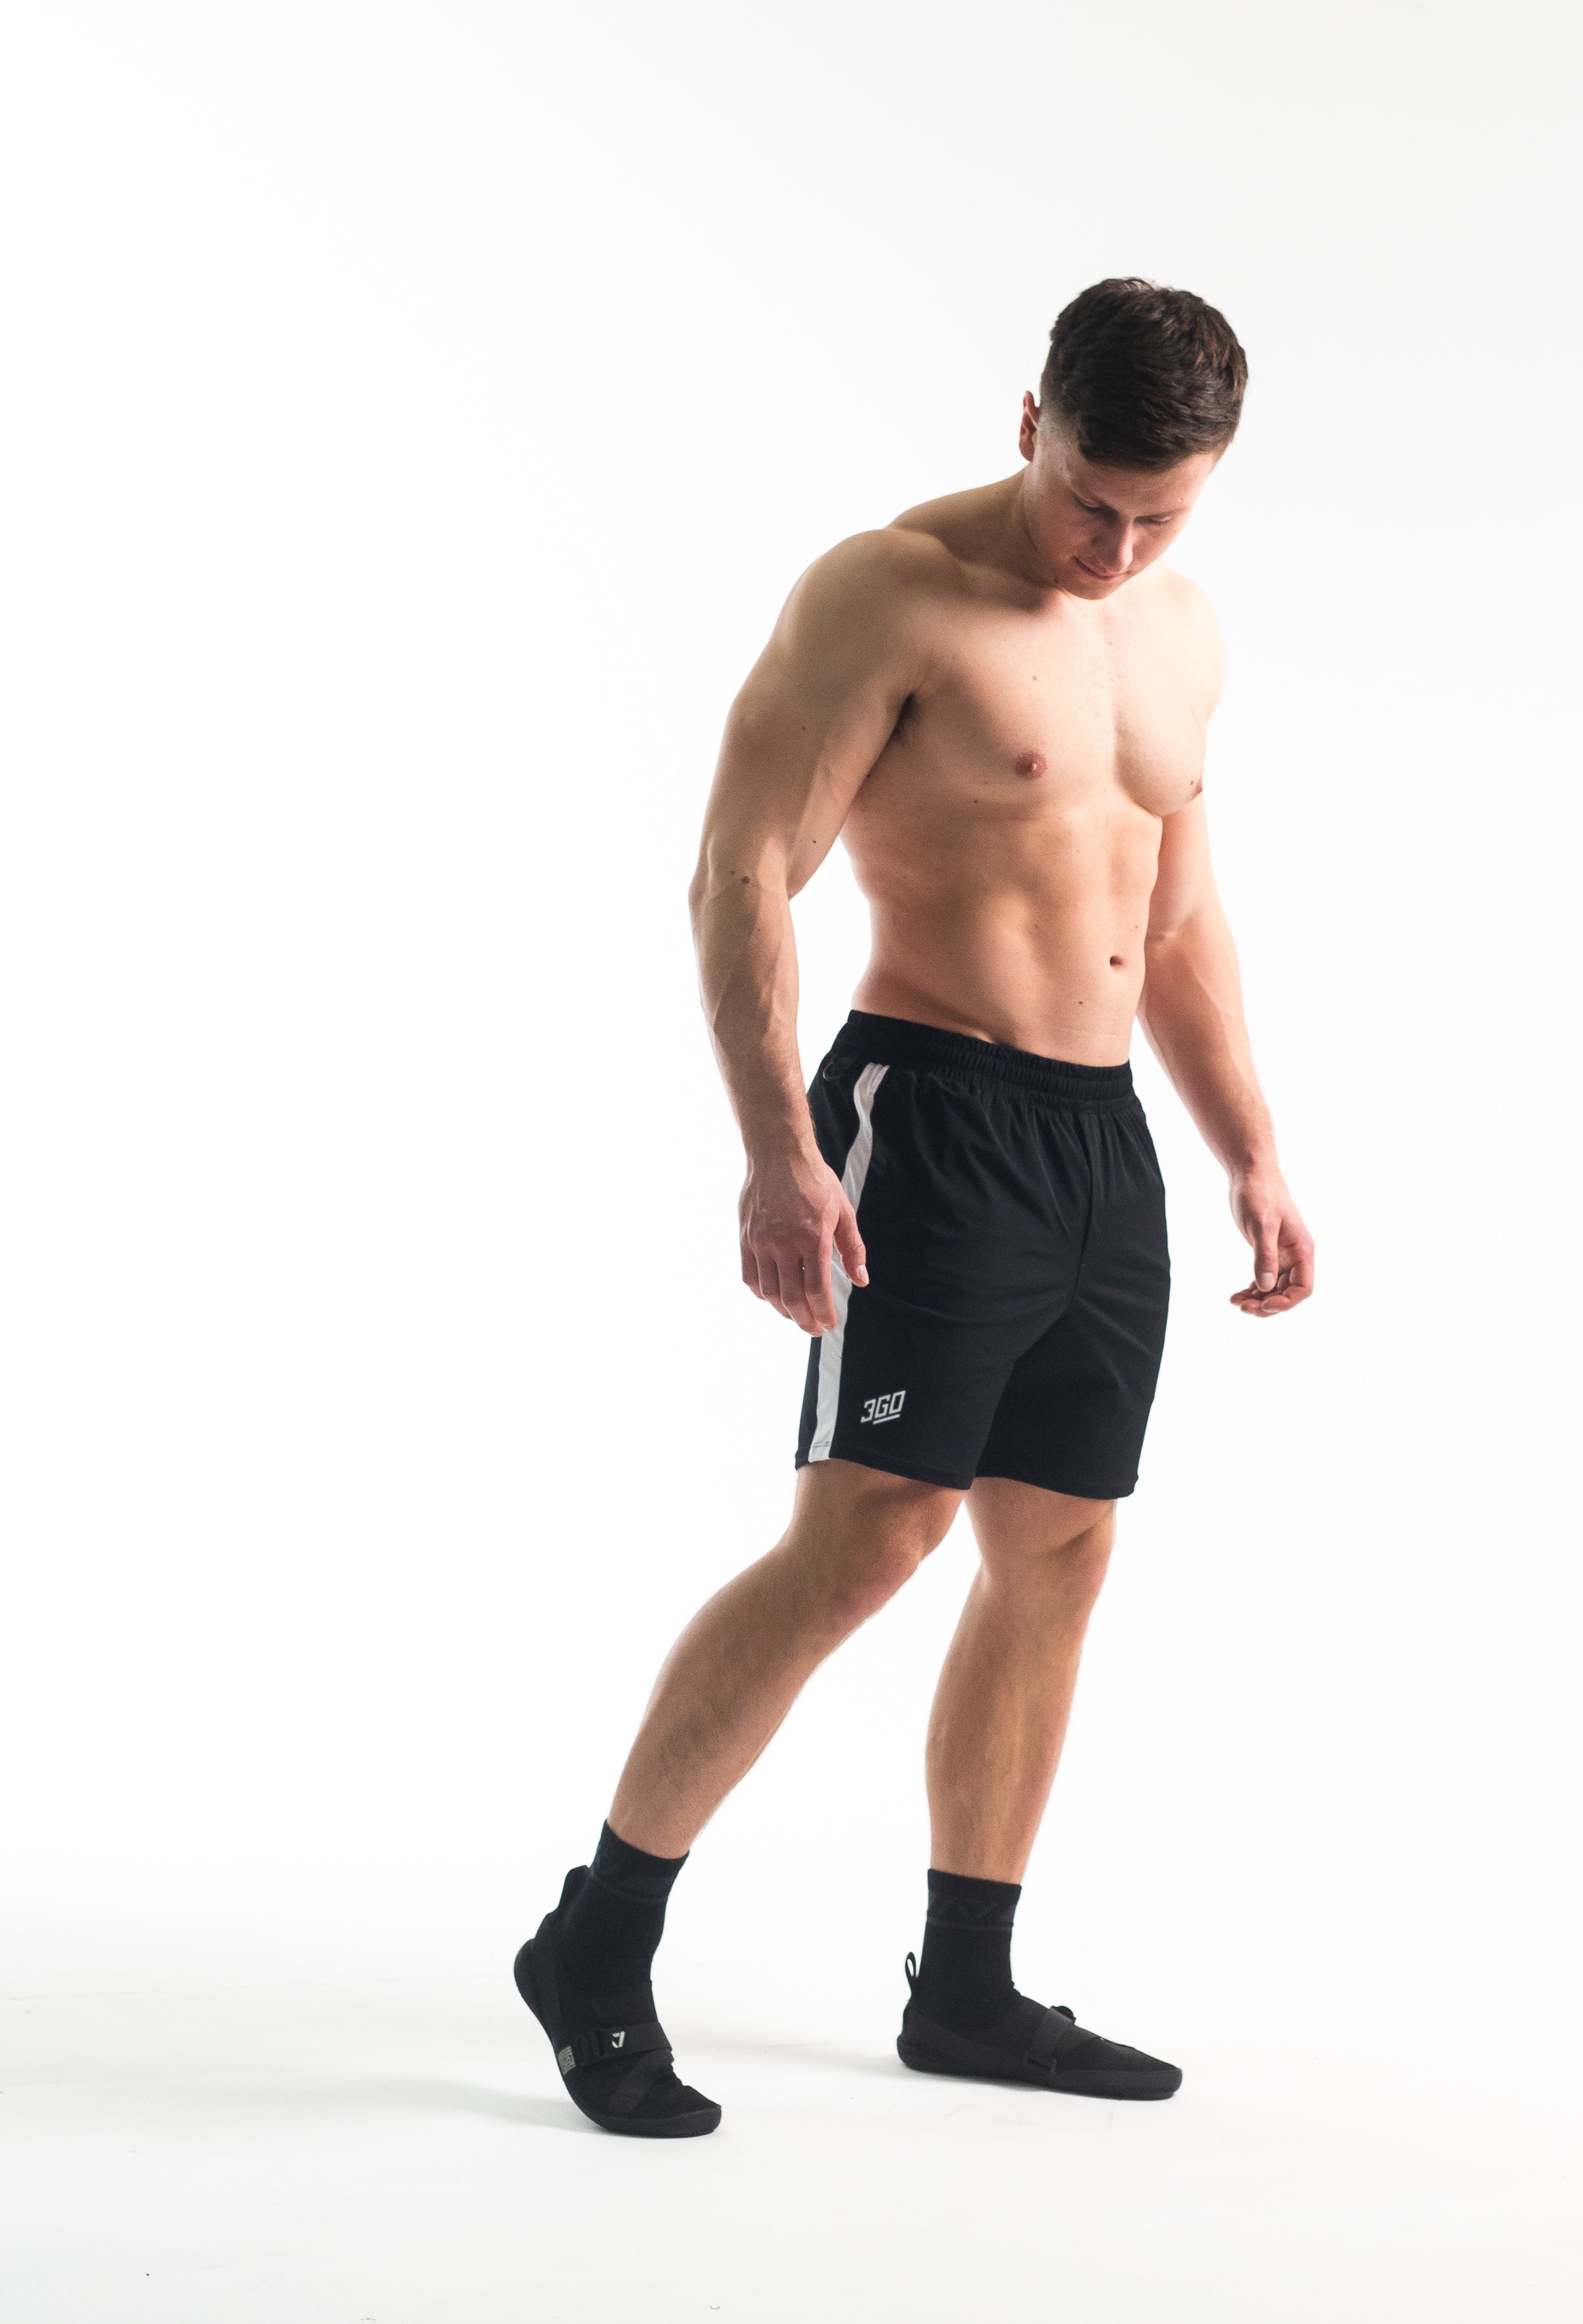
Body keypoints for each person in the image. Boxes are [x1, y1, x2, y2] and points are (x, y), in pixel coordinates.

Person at [513, 279, 1315, 2136]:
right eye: (1090, 500)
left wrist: (1251, 1147)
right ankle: (596, 1942)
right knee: (870, 1539)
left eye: (1162, 514)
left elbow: (1177, 921)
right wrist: (775, 1148)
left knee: (1061, 1551)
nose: (1116, 548)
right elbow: (740, 873)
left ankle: (967, 1988)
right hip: (928, 1115)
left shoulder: (1180, 631)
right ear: (1029, 421)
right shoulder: (888, 594)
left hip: (1099, 1138)